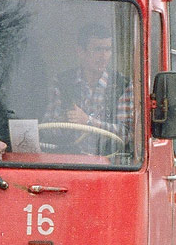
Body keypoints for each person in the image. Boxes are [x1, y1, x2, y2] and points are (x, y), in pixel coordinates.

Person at [43, 24, 134, 152]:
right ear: (81, 52)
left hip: (110, 165)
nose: (104, 57)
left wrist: (88, 121)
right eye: (97, 49)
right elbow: (47, 131)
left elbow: (127, 133)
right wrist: (64, 121)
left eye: (107, 50)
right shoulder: (62, 82)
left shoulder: (122, 85)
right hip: (68, 162)